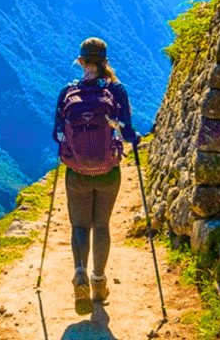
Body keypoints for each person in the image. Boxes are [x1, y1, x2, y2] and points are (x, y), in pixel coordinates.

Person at [52, 37, 138, 311]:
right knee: (101, 226)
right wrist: (135, 139)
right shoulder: (117, 90)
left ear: (81, 62)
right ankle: (98, 283)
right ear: (105, 62)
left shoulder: (68, 93)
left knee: (79, 226)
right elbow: (126, 133)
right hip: (108, 172)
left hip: (76, 173)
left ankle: (79, 271)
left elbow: (57, 133)